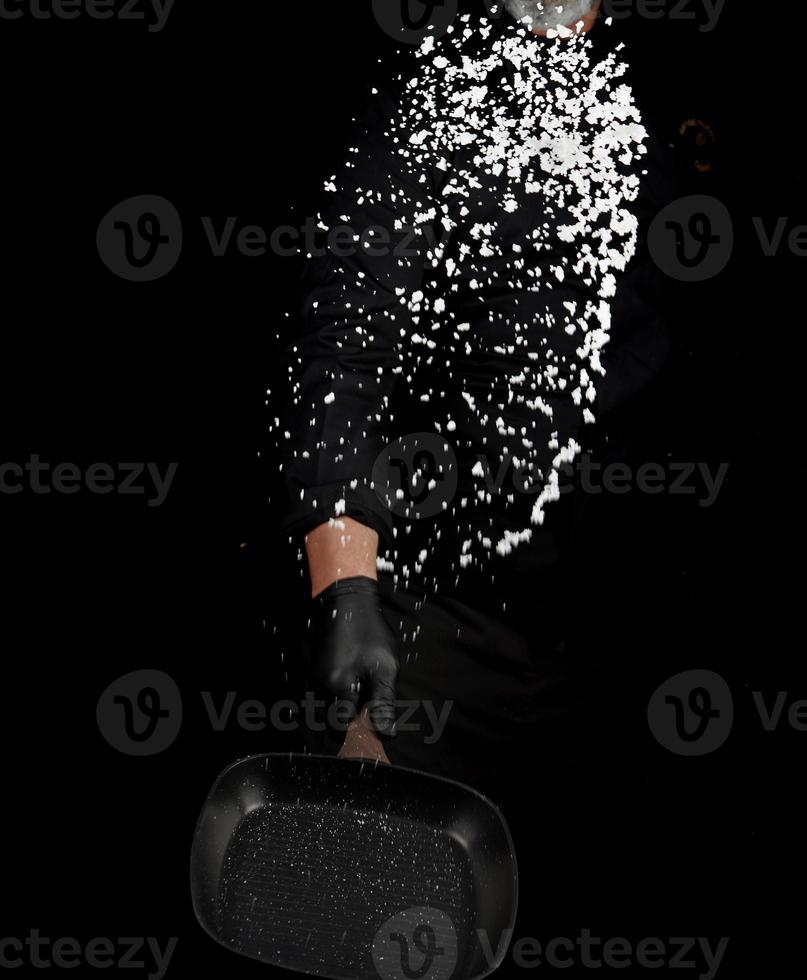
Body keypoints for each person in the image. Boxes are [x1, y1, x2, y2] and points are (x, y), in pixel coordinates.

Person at [274, 0, 681, 797]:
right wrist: (346, 583)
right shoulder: (430, 92)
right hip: (441, 617)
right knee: (402, 895)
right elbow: (343, 344)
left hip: (629, 631)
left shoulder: (666, 79)